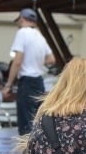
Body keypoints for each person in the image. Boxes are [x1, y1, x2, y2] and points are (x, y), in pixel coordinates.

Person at [3, 9, 54, 137]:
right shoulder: (40, 36)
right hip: (39, 82)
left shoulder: (22, 33)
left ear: (22, 19)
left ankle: (27, 150)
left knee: (26, 124)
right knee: (37, 121)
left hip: (26, 81)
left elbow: (17, 61)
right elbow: (51, 59)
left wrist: (8, 84)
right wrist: (37, 62)